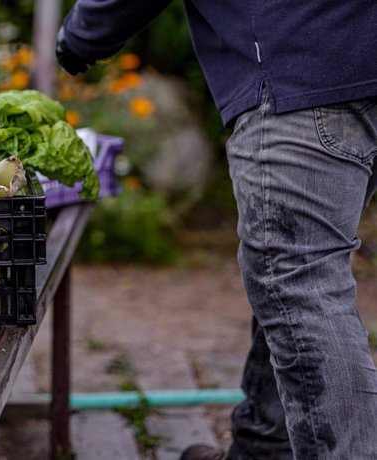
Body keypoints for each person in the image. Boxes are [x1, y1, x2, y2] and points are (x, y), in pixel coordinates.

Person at [55, 1, 377, 459]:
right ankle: (264, 447)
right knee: (295, 275)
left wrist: (81, 35)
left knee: (297, 280)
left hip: (302, 64)